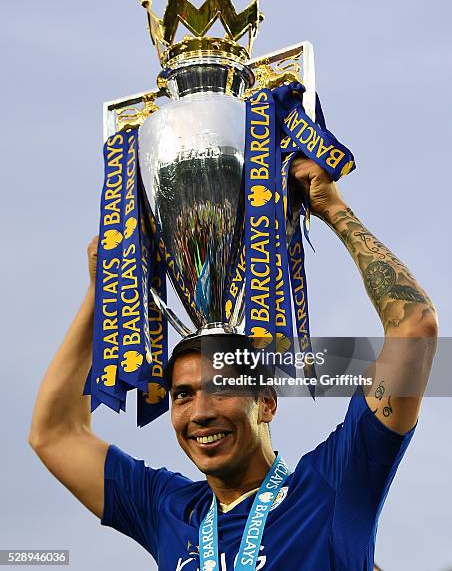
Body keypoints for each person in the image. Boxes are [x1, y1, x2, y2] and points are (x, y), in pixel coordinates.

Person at [29, 158, 438, 570]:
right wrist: (100, 296)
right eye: (183, 395)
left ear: (266, 402)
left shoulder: (330, 488)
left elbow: (415, 329)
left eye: (221, 388)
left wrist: (330, 207)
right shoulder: (167, 511)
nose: (201, 413)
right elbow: (55, 434)